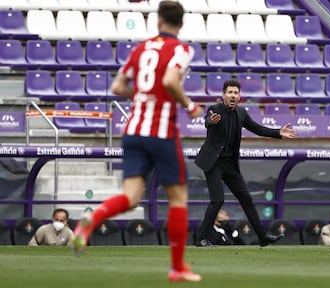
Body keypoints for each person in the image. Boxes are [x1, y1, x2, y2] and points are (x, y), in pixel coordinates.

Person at [72, 1, 203, 282]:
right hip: (161, 131)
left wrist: (142, 97)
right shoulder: (182, 49)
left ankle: (92, 219)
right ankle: (177, 268)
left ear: (158, 21)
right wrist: (189, 105)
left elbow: (118, 87)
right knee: (178, 198)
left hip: (132, 130)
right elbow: (170, 80)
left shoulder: (140, 49)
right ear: (181, 24)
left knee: (131, 197)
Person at [195, 79, 297, 247]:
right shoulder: (215, 110)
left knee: (246, 199)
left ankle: (262, 237)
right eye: (230, 93)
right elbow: (208, 121)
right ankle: (201, 238)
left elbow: (257, 129)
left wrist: (278, 132)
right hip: (213, 163)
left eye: (236, 93)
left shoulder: (241, 113)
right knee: (218, 200)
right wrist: (210, 122)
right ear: (224, 95)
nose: (233, 95)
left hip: (230, 165)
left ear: (239, 96)